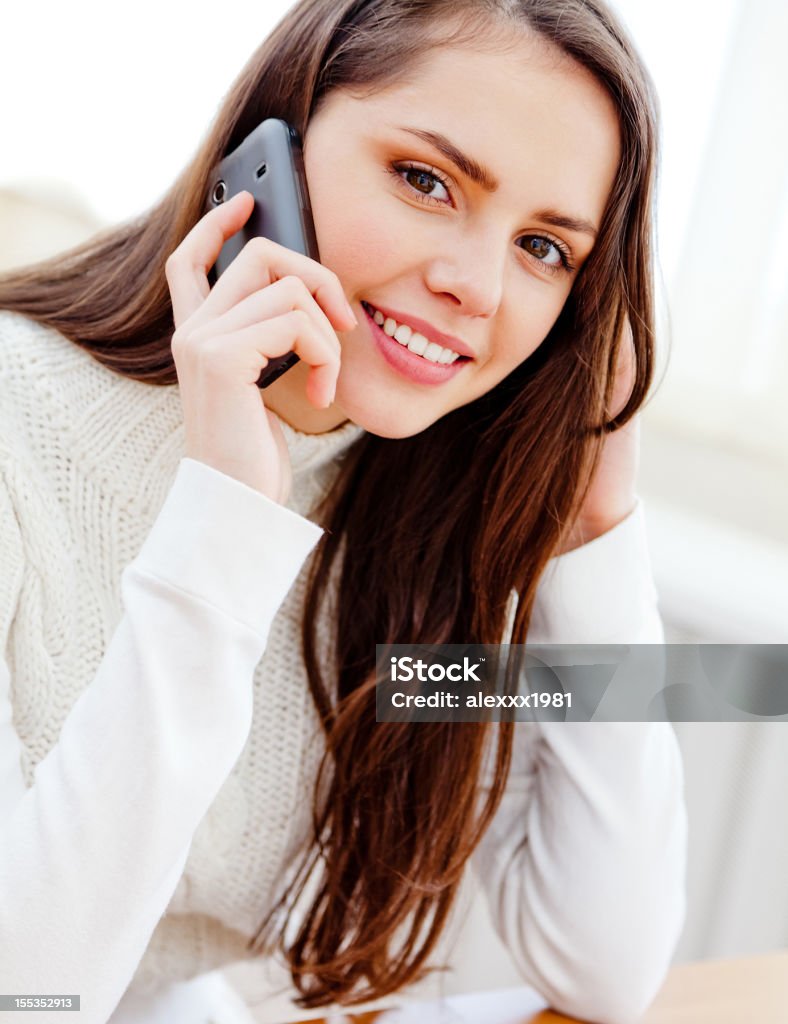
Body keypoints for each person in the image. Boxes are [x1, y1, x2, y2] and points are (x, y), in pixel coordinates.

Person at [0, 0, 687, 1021]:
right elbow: (28, 989)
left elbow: (605, 964)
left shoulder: (431, 502)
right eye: (425, 181)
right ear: (267, 155)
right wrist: (222, 518)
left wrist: (596, 529)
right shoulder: (19, 423)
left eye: (544, 248)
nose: (475, 286)